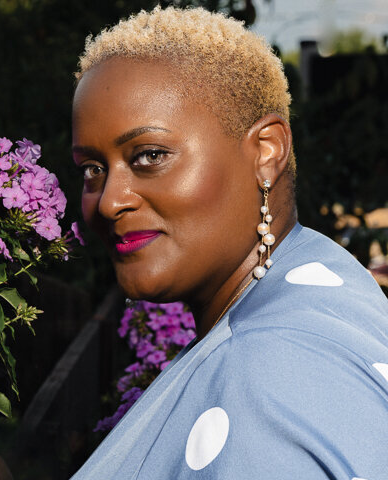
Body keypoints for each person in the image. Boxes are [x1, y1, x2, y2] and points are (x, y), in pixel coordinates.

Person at [70, 6, 388, 479]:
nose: (109, 201)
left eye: (150, 155)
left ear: (266, 151)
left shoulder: (266, 371)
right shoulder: (327, 283)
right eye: (92, 169)